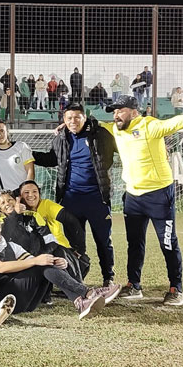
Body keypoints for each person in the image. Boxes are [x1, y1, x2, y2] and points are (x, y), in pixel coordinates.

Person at [101, 94, 183, 305]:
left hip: (158, 196)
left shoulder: (149, 125)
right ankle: (134, 285)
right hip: (132, 197)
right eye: (114, 112)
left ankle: (176, 288)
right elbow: (93, 124)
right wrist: (67, 124)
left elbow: (172, 124)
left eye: (121, 110)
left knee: (168, 243)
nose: (116, 115)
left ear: (134, 111)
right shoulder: (116, 129)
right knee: (134, 244)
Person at [0, 211, 120, 319]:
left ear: (0, 226)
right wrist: (38, 261)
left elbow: (32, 262)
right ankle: (86, 294)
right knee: (39, 263)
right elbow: (0, 267)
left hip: (26, 300)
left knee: (44, 263)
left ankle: (81, 301)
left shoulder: (12, 246)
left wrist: (56, 262)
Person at [32, 104, 117, 285]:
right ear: (64, 120)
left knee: (103, 241)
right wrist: (28, 154)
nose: (73, 121)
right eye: (69, 118)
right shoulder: (61, 138)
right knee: (74, 244)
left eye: (77, 117)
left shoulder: (100, 135)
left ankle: (108, 277)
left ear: (84, 118)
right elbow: (52, 159)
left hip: (97, 199)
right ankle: (77, 276)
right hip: (71, 199)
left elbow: (122, 148)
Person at [0, 120, 35, 192]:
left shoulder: (21, 146)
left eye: (1, 131)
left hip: (24, 195)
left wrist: (25, 191)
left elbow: (30, 172)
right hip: (9, 199)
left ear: (7, 131)